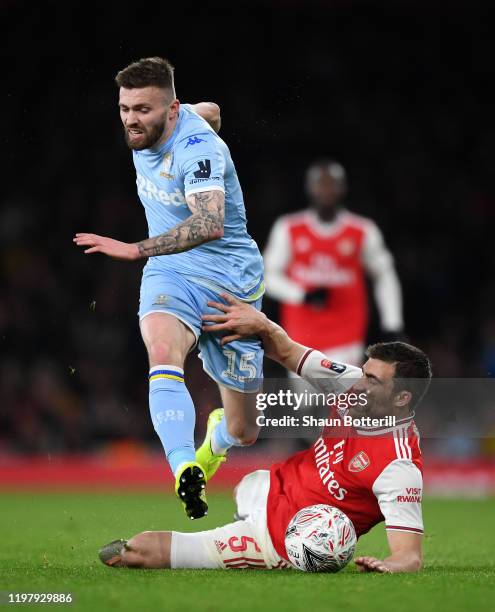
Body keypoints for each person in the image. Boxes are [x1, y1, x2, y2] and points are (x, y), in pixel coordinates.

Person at [98, 295, 431, 573]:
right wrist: (259, 322)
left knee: (141, 550)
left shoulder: (397, 468)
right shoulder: (353, 384)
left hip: (279, 540)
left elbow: (408, 556)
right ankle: (223, 436)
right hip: (267, 484)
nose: (359, 382)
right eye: (364, 372)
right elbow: (286, 350)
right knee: (244, 448)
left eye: (372, 380)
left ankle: (226, 483)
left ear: (402, 398)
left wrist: (390, 565)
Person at [74, 58, 265, 520]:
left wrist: (135, 250)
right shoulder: (167, 121)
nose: (131, 120)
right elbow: (212, 109)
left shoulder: (197, 151)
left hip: (229, 282)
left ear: (171, 110)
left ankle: (215, 440)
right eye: (124, 108)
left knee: (244, 430)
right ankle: (183, 469)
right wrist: (208, 112)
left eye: (143, 109)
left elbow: (209, 222)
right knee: (161, 351)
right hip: (171, 272)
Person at [263, 160, 404, 366]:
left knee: (341, 397)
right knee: (306, 399)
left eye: (333, 184)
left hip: (345, 336)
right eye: (321, 183)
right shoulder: (289, 228)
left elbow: (385, 275)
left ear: (343, 188)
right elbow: (267, 277)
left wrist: (392, 322)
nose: (327, 190)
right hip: (299, 336)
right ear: (309, 188)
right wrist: (302, 294)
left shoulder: (362, 230)